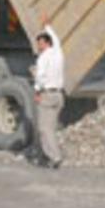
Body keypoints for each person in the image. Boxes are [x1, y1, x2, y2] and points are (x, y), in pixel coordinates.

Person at [32, 14, 65, 169]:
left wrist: (37, 92)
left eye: (39, 43)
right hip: (59, 95)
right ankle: (51, 155)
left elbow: (40, 77)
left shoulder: (43, 58)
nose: (38, 45)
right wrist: (47, 26)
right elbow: (56, 39)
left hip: (47, 95)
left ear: (45, 43)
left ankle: (54, 156)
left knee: (44, 129)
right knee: (50, 127)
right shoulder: (58, 52)